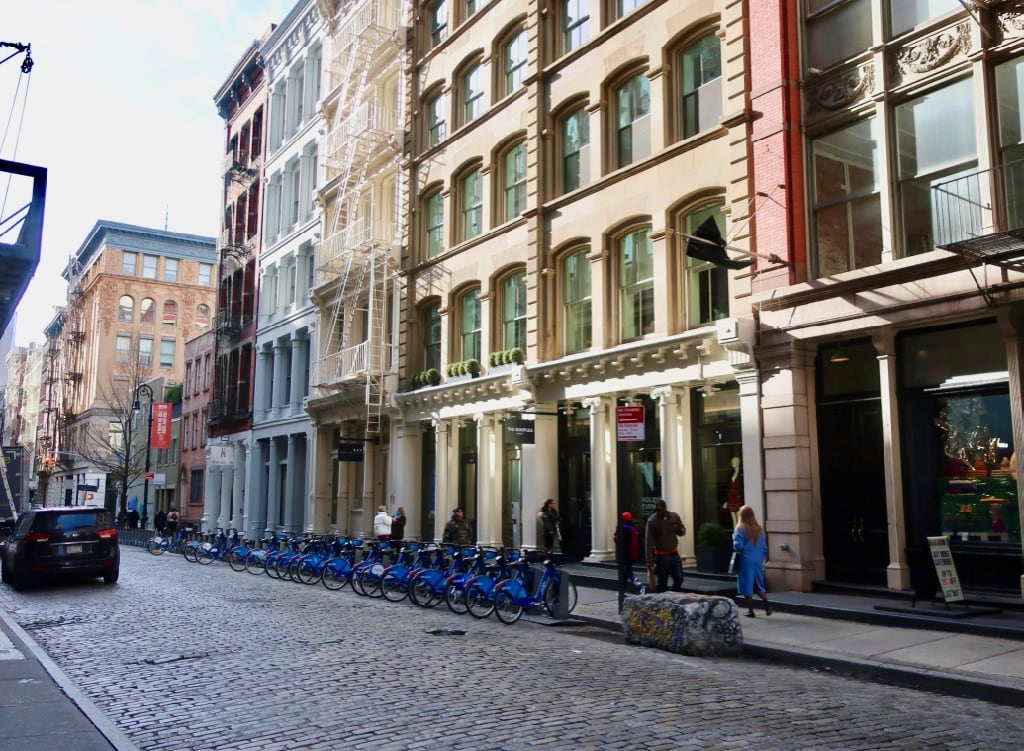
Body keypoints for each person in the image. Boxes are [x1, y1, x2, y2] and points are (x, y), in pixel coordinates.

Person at [732, 505, 772, 617]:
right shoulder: (758, 528)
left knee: (746, 586)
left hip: (746, 560)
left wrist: (735, 543)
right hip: (757, 561)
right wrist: (761, 558)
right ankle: (767, 604)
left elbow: (738, 546)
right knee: (757, 585)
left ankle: (751, 611)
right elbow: (764, 548)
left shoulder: (740, 528)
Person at [645, 499, 685, 593]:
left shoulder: (674, 516)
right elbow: (649, 542)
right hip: (661, 556)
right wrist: (649, 561)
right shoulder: (652, 521)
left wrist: (680, 530)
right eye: (657, 511)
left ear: (665, 508)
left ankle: (671, 595)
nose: (659, 513)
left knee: (679, 578)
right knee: (662, 583)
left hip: (674, 553)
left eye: (660, 510)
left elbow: (682, 532)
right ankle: (663, 603)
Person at [613, 511, 643, 597]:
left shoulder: (622, 527)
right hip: (632, 555)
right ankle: (621, 591)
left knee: (629, 573)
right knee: (624, 574)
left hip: (623, 555)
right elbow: (640, 541)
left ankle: (640, 586)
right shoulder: (634, 528)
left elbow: (616, 539)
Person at [723, 456, 743, 526]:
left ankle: (739, 535)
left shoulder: (741, 475)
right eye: (732, 461)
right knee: (734, 520)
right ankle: (735, 535)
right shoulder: (730, 474)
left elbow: (742, 487)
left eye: (734, 461)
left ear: (738, 463)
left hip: (738, 497)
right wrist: (726, 500)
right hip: (731, 497)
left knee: (739, 519)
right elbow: (728, 487)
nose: (732, 463)